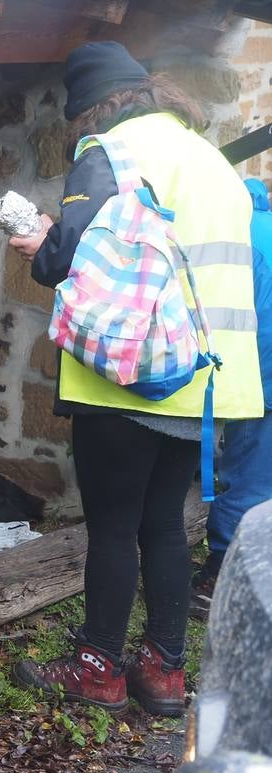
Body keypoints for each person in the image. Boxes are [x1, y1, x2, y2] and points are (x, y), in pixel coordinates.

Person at [8, 42, 263, 716]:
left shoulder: (112, 152)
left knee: (114, 527)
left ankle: (97, 668)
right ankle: (164, 673)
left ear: (94, 107)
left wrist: (41, 242)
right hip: (202, 380)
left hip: (130, 375)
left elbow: (69, 255)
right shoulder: (214, 163)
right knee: (166, 528)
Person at [191, 177, 272, 617]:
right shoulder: (267, 227)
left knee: (246, 476)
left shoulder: (240, 235)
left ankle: (221, 579)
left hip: (266, 375)